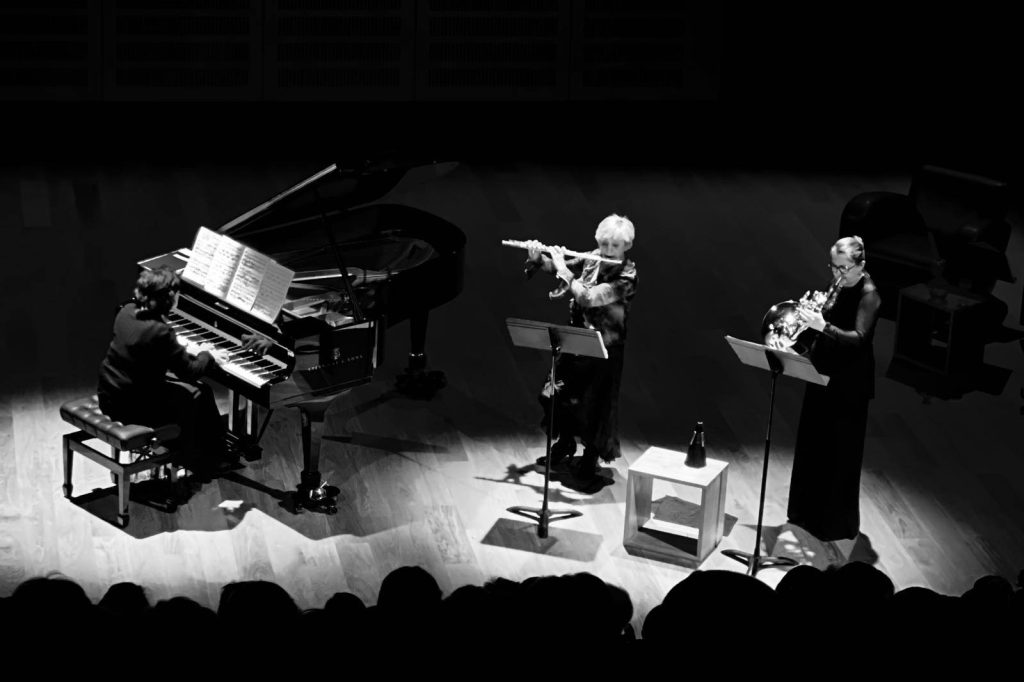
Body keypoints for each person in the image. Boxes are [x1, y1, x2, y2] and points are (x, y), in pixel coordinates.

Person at [96, 266, 268, 479]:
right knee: (198, 393)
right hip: (134, 407)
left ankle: (204, 452)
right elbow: (189, 372)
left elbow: (149, 351)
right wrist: (208, 354)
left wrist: (184, 350)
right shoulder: (160, 331)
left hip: (110, 394)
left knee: (198, 392)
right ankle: (205, 459)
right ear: (170, 297)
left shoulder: (127, 310)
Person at [523, 214, 638, 481]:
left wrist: (562, 266)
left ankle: (590, 457)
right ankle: (565, 442)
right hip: (575, 339)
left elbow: (588, 297)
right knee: (552, 395)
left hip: (604, 347)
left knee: (593, 407)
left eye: (615, 246)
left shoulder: (627, 276)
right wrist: (540, 257)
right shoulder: (593, 257)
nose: (608, 251)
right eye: (605, 244)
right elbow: (559, 267)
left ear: (626, 247)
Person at [787, 235, 880, 541]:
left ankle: (833, 524)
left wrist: (821, 325)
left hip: (849, 382)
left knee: (839, 452)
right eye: (833, 266)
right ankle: (804, 514)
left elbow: (859, 338)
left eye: (843, 268)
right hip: (824, 371)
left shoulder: (869, 295)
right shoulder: (838, 284)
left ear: (860, 265)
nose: (836, 274)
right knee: (813, 442)